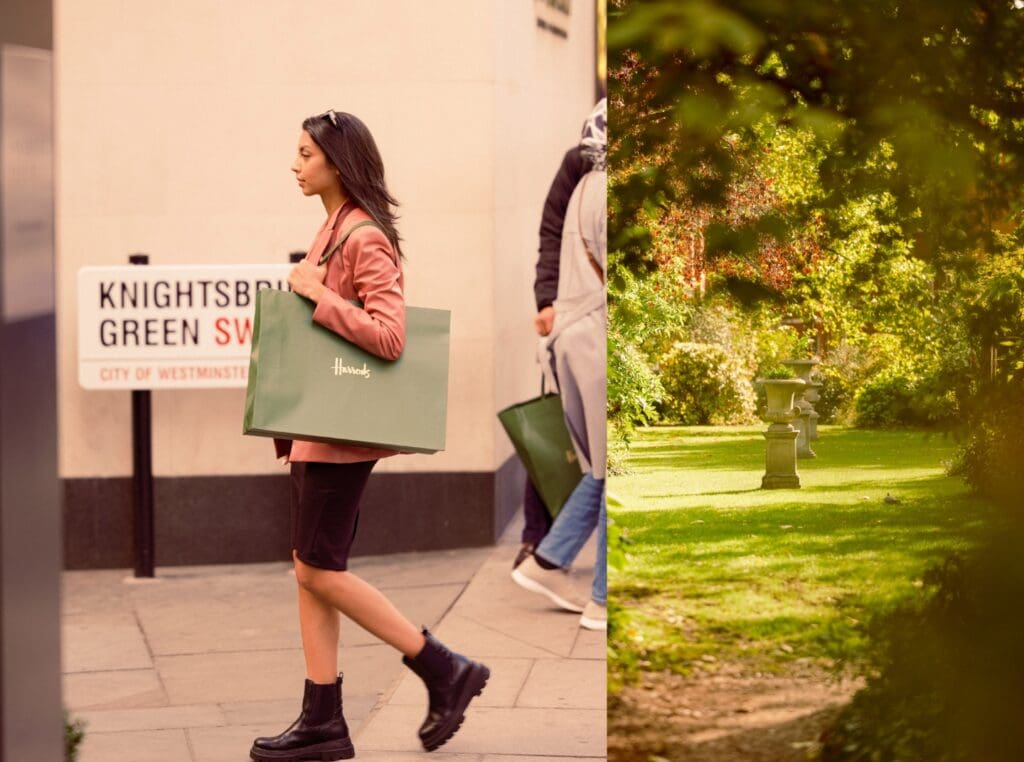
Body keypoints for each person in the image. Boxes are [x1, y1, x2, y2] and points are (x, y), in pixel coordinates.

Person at [249, 110, 489, 762]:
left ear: (336, 159)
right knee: (310, 572)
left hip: (340, 438)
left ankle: (443, 668)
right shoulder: (330, 228)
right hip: (314, 433)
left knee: (317, 569)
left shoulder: (363, 237)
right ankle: (322, 718)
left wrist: (313, 293)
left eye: (304, 153)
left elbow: (388, 336)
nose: (294, 164)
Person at [512, 99, 608, 631]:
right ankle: (601, 594)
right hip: (584, 324)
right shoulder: (587, 173)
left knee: (601, 463)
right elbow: (552, 236)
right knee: (604, 461)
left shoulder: (588, 178)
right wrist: (545, 299)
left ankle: (547, 558)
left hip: (575, 324)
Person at [513, 140, 595, 569]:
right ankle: (536, 538)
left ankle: (552, 547)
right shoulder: (581, 160)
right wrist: (547, 300)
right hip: (573, 316)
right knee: (557, 427)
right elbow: (551, 231)